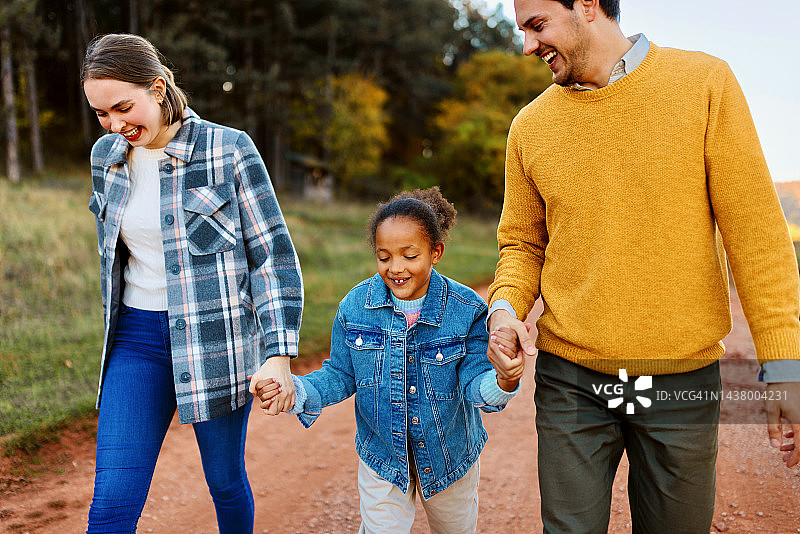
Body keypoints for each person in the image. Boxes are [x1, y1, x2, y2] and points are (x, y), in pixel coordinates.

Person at [486, 0, 800, 532]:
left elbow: (758, 239)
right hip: (572, 381)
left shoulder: (704, 84)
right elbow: (521, 244)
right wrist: (503, 309)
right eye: (522, 30)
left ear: (587, 7)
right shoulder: (531, 127)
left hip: (681, 382)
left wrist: (785, 371)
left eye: (537, 26)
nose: (526, 46)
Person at [81, 33, 302, 533]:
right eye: (101, 114)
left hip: (216, 340)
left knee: (224, 481)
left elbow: (272, 257)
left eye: (122, 107)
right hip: (135, 340)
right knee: (112, 501)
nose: (115, 126)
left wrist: (279, 352)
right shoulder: (105, 158)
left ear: (157, 88)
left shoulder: (229, 149)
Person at [254, 187, 522, 534]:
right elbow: (338, 374)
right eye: (384, 257)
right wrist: (296, 390)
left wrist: (504, 381)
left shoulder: (466, 310)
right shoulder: (355, 307)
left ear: (435, 252)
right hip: (382, 459)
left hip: (450, 459)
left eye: (410, 256)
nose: (396, 268)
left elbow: (475, 383)